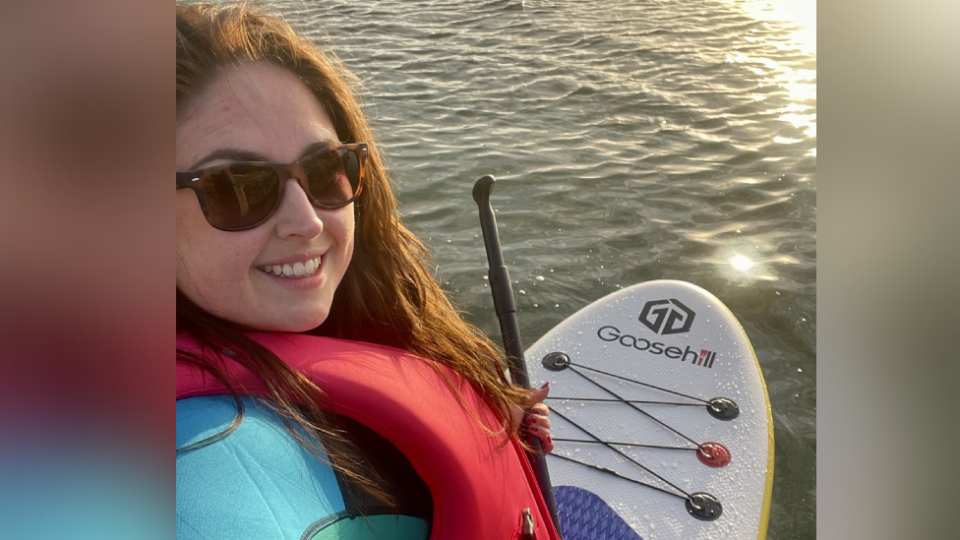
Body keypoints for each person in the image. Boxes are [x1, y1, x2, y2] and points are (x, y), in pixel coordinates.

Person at [175, 3, 556, 539]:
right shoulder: (196, 453)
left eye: (325, 168)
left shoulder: (352, 319)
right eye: (238, 187)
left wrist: (485, 423)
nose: (307, 222)